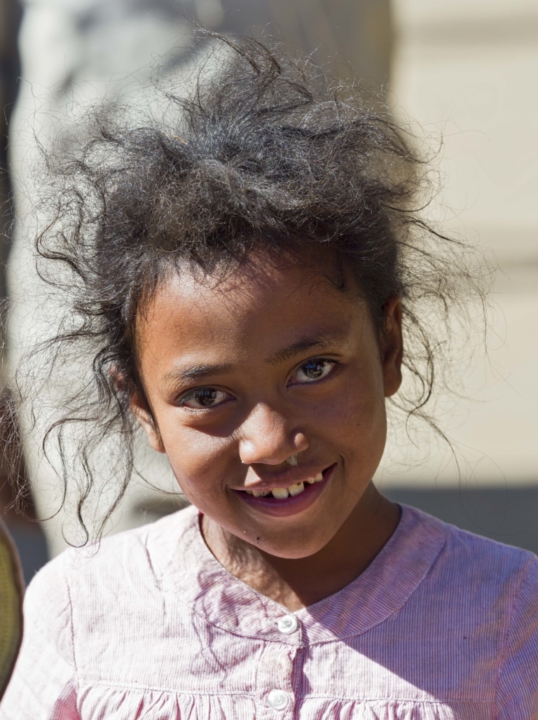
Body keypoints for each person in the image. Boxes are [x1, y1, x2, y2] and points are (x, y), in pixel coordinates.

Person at [2, 36, 537, 718]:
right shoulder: (83, 612)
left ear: (389, 345)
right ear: (141, 407)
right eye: (206, 396)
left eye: (313, 370)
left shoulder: (508, 617)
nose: (270, 442)